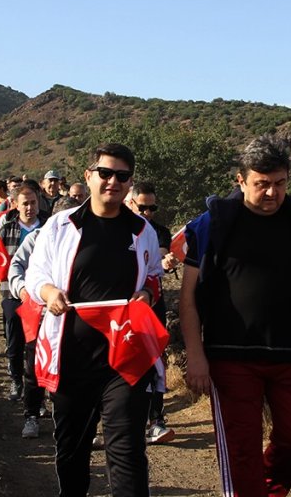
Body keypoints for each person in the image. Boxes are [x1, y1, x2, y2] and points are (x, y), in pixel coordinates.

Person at [179, 134, 291, 497]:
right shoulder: (212, 224)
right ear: (241, 180)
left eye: (279, 183)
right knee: (241, 450)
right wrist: (195, 356)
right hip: (231, 356)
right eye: (261, 184)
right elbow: (188, 297)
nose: (271, 193)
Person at [27, 143, 164, 497]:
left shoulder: (141, 230)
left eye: (122, 176)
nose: (112, 182)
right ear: (89, 176)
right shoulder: (60, 225)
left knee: (127, 451)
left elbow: (153, 276)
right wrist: (49, 293)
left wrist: (147, 294)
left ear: (129, 182)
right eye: (105, 173)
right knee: (72, 449)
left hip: (124, 357)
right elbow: (35, 274)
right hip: (71, 356)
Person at [8, 196, 78, 439]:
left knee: (71, 371)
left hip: (75, 319)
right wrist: (24, 289)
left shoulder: (86, 241)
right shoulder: (36, 239)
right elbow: (16, 267)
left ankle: (67, 420)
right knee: (34, 367)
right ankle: (31, 416)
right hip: (39, 315)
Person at [127, 181, 179, 445]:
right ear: (130, 203)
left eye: (152, 208)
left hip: (151, 306)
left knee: (154, 361)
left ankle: (156, 421)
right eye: (143, 207)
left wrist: (165, 260)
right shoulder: (116, 229)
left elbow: (160, 252)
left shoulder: (158, 231)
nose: (148, 213)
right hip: (119, 309)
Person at [0, 185, 46, 402]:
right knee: (14, 336)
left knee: (39, 341)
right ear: (15, 204)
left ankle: (40, 385)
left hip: (42, 294)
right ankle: (16, 378)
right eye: (25, 203)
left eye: (33, 202)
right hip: (13, 292)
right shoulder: (6, 229)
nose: (30, 207)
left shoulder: (49, 228)